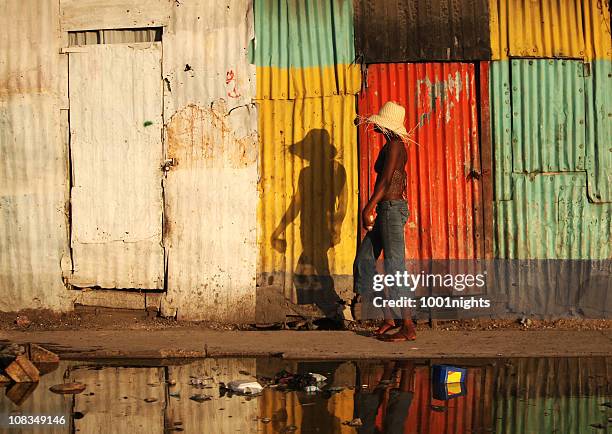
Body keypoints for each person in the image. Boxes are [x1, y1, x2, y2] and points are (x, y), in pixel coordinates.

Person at [354, 101, 416, 341]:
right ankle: (389, 317)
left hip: (390, 210)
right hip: (385, 210)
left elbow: (386, 180)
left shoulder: (396, 146)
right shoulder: (390, 145)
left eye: (379, 123)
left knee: (395, 268)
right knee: (364, 260)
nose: (375, 126)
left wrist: (368, 207)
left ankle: (408, 325)